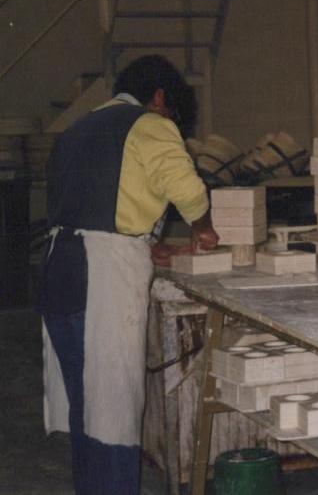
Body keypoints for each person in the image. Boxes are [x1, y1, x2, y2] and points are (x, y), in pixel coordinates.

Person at [38, 55, 218, 494]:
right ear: (159, 97)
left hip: (59, 267)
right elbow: (188, 191)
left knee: (87, 411)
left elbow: (99, 204)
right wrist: (203, 227)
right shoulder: (149, 124)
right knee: (114, 410)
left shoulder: (78, 128)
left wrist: (143, 241)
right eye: (170, 110)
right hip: (101, 277)